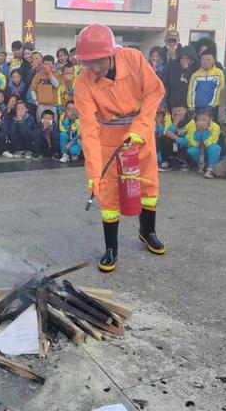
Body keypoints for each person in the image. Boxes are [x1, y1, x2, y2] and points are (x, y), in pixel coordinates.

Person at [74, 23, 165, 273]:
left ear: (111, 54)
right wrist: (94, 174)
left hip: (140, 134)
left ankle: (148, 232)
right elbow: (89, 130)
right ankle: (111, 248)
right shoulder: (83, 84)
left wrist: (140, 129)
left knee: (148, 186)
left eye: (98, 62)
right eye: (87, 63)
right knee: (108, 191)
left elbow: (155, 92)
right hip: (108, 139)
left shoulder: (134, 59)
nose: (93, 69)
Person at [158, 106, 195, 172]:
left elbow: (189, 142)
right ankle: (166, 162)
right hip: (172, 145)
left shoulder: (191, 122)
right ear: (171, 111)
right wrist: (174, 124)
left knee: (188, 149)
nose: (177, 113)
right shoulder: (169, 117)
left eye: (180, 110)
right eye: (175, 110)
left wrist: (175, 137)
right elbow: (165, 133)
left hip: (182, 147)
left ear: (185, 110)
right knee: (164, 139)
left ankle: (184, 162)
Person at [186, 108, 221, 178]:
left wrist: (205, 131)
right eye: (199, 120)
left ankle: (211, 168)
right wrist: (198, 133)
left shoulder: (216, 127)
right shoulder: (194, 126)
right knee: (191, 150)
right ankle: (201, 164)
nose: (201, 122)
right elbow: (192, 143)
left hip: (209, 150)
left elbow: (211, 142)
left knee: (215, 147)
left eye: (204, 120)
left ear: (211, 119)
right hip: (200, 149)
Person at [164, 45, 199, 109]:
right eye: (182, 58)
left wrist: (186, 70)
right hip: (174, 101)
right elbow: (170, 83)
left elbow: (192, 85)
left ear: (191, 60)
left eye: (186, 59)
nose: (184, 60)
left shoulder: (196, 70)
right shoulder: (174, 68)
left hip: (187, 101)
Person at [30, 55, 60, 123]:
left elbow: (56, 85)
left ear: (53, 64)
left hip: (52, 105)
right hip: (41, 105)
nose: (46, 66)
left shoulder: (56, 74)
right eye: (45, 64)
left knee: (53, 124)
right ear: (42, 64)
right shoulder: (38, 75)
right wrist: (35, 100)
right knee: (40, 123)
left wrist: (50, 73)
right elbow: (33, 89)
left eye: (49, 64)